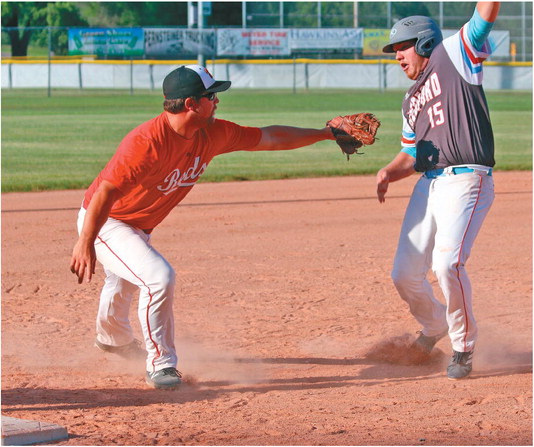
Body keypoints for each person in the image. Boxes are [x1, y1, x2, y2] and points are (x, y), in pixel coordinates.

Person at [70, 64, 339, 389]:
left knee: (124, 281)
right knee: (158, 277)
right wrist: (86, 240)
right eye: (212, 96)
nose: (217, 101)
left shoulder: (213, 133)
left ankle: (111, 338)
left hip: (138, 224)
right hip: (106, 220)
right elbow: (105, 193)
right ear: (191, 104)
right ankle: (161, 364)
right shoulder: (146, 143)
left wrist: (325, 133)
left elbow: (270, 137)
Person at [376, 2, 500, 380]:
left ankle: (463, 347)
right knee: (404, 274)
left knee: (448, 264)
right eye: (394, 51)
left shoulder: (455, 55)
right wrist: (387, 171)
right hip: (428, 186)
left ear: (426, 42)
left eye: (403, 47)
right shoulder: (410, 99)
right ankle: (434, 326)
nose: (397, 56)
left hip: (468, 181)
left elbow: (485, 14)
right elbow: (412, 153)